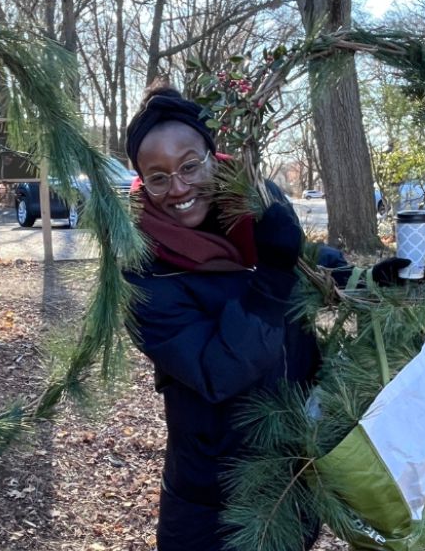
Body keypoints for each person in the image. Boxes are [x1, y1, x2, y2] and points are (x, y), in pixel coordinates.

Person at [122, 86, 407, 551]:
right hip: (211, 502)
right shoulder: (143, 271)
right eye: (158, 177)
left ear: (213, 156)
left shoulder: (256, 204)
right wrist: (270, 276)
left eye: (189, 165)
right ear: (142, 182)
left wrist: (366, 280)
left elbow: (308, 263)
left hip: (295, 474)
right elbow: (218, 372)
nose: (177, 187)